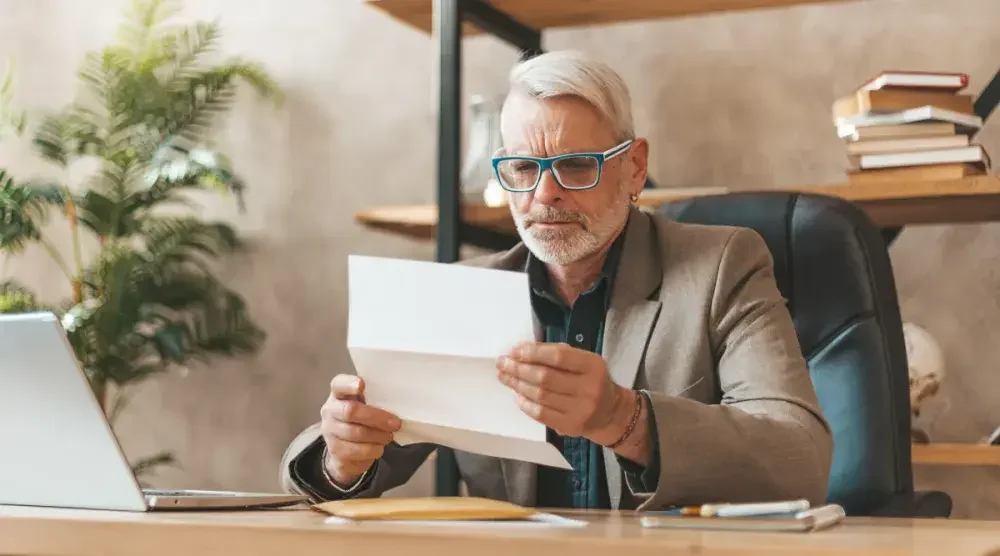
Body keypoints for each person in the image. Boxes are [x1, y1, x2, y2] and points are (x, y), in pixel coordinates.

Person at [279, 50, 832, 511]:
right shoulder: (462, 295)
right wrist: (342, 457)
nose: (544, 195)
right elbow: (333, 464)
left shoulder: (722, 267)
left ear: (634, 167)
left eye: (575, 166)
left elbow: (801, 458)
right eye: (522, 168)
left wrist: (625, 420)